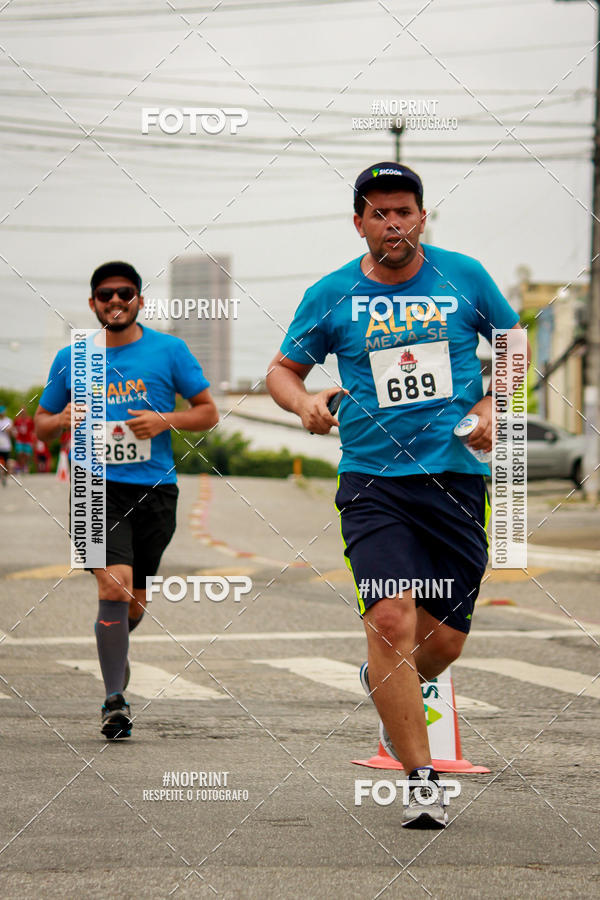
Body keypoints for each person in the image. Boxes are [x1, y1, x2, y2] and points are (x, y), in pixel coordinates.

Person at [267, 162, 530, 829]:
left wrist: (496, 408)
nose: (393, 224)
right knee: (390, 620)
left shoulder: (463, 276)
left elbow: (513, 346)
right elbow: (282, 369)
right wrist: (303, 404)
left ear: (421, 217)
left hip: (455, 482)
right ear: (359, 222)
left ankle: (387, 683)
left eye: (404, 212)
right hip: (373, 482)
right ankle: (422, 780)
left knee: (440, 645)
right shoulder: (332, 295)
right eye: (379, 213)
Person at [34, 261, 219, 740]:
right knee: (113, 586)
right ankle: (114, 699)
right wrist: (63, 419)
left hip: (156, 488)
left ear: (139, 300)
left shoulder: (169, 350)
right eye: (106, 295)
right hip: (94, 486)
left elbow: (207, 413)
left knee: (133, 600)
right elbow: (41, 423)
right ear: (93, 304)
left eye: (125, 293)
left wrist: (164, 421)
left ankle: (113, 642)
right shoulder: (72, 357)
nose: (116, 302)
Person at [12, 409, 35, 474]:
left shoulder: (29, 420)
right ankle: (20, 466)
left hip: (27, 440)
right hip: (20, 440)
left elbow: (33, 430)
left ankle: (25, 466)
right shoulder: (17, 420)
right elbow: (13, 428)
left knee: (27, 454)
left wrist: (33, 439)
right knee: (20, 453)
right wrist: (14, 434)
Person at [0, 405, 13, 485]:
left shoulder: (8, 421)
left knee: (6, 462)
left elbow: (11, 434)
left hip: (6, 445)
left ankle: (4, 475)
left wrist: (9, 431)